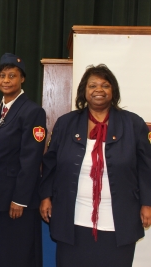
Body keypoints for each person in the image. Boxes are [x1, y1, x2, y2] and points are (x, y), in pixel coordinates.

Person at [39, 64, 151, 267]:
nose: (98, 90)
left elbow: (146, 167)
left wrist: (147, 203)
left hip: (118, 219)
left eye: (105, 85)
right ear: (84, 91)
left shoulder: (133, 123)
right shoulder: (66, 123)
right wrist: (46, 196)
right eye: (92, 85)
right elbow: (50, 163)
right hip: (72, 217)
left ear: (113, 91)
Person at [0, 53, 46, 267]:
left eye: (12, 76)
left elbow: (31, 160)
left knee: (17, 256)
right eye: (2, 75)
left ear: (22, 78)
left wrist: (20, 199)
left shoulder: (33, 112)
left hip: (15, 202)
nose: (6, 80)